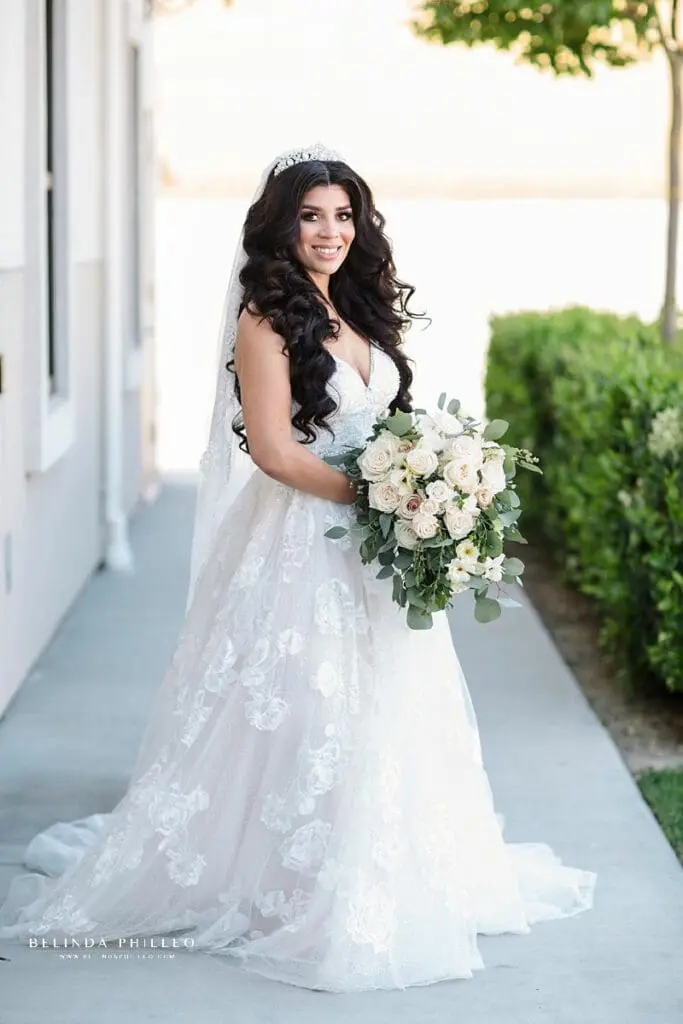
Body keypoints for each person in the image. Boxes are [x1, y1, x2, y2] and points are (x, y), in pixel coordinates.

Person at [0, 144, 595, 992]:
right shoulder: (264, 316)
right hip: (302, 537)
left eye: (344, 216)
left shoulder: (356, 306)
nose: (330, 231)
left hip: (376, 534)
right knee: (308, 702)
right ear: (281, 227)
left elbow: (385, 418)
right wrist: (381, 499)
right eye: (311, 216)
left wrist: (421, 479)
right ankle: (295, 880)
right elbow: (276, 453)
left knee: (385, 694)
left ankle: (384, 856)